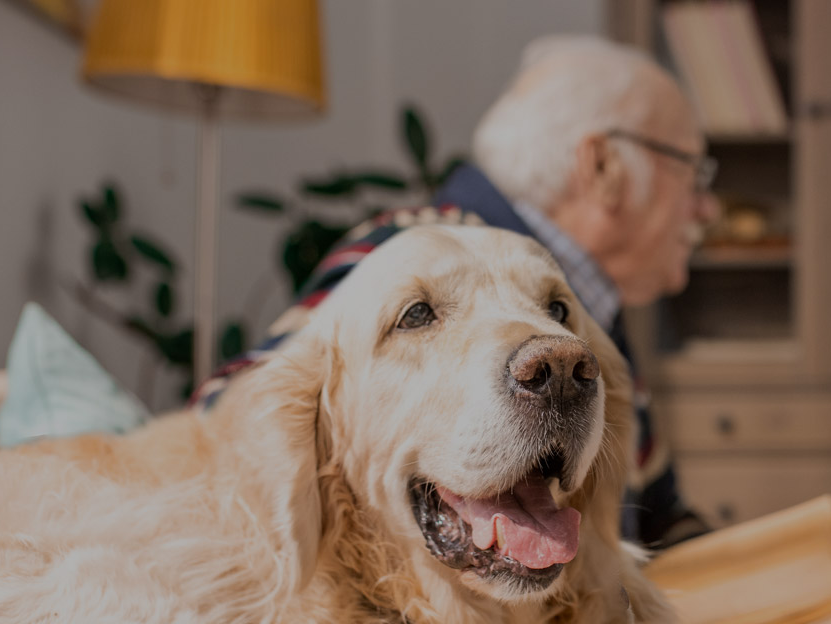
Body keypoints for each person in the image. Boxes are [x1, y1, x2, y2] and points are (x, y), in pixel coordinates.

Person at [196, 35, 719, 549]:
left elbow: (660, 521)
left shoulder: (590, 305)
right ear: (602, 166)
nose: (708, 208)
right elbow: (217, 424)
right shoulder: (402, 252)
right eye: (694, 172)